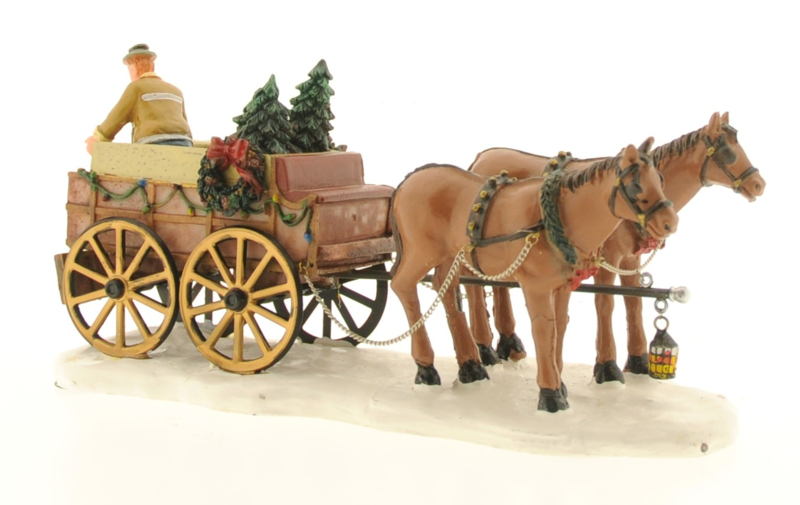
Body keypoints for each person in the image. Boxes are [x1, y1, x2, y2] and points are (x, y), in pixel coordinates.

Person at [85, 44, 192, 154]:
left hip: (153, 142)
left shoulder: (136, 87)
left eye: (129, 69)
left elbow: (117, 116)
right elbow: (184, 120)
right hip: (184, 142)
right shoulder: (176, 90)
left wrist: (98, 137)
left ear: (133, 68)